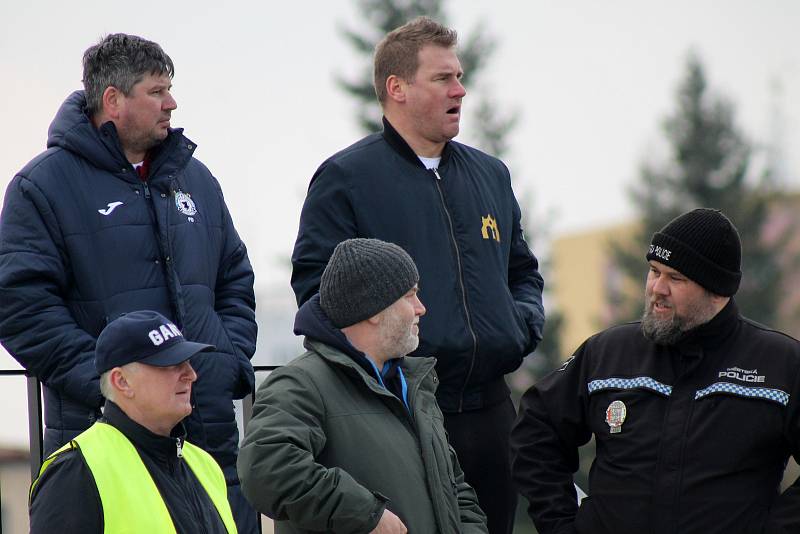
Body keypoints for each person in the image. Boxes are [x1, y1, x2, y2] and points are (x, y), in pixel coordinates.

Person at [290, 17, 544, 533]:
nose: (461, 89)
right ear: (397, 88)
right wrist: (376, 370)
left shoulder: (491, 174)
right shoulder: (346, 179)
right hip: (402, 411)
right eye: (444, 78)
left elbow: (523, 271)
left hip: (492, 408)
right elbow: (317, 291)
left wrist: (519, 326)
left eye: (460, 76)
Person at [0, 34, 258, 532]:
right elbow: (20, 307)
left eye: (171, 90)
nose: (172, 103)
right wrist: (111, 384)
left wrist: (226, 361)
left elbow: (235, 278)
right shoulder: (42, 188)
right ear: (113, 100)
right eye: (157, 91)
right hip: (105, 446)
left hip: (210, 442)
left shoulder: (196, 180)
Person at [511, 208, 800, 534]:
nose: (657, 288)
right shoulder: (607, 352)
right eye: (654, 271)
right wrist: (562, 524)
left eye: (676, 278)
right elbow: (535, 430)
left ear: (718, 292)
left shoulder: (780, 364)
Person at [239, 238, 488, 533]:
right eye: (410, 295)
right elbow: (265, 469)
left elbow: (455, 489)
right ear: (373, 308)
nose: (421, 308)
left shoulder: (414, 384)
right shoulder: (301, 384)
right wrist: (366, 515)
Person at [29, 310, 237, 533]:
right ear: (122, 381)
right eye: (172, 364)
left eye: (188, 362)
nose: (191, 374)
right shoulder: (75, 471)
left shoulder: (204, 464)